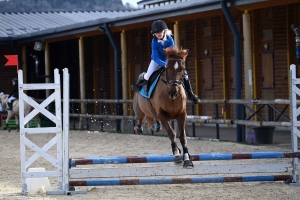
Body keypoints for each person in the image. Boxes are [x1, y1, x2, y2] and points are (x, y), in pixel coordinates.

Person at [132, 20, 201, 104]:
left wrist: (170, 63)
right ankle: (139, 83)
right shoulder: (154, 41)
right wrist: (165, 64)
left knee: (184, 74)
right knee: (147, 76)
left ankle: (190, 94)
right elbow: (155, 57)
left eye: (160, 32)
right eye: (156, 33)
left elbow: (172, 54)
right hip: (156, 61)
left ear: (164, 31)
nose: (158, 34)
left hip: (168, 59)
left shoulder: (170, 39)